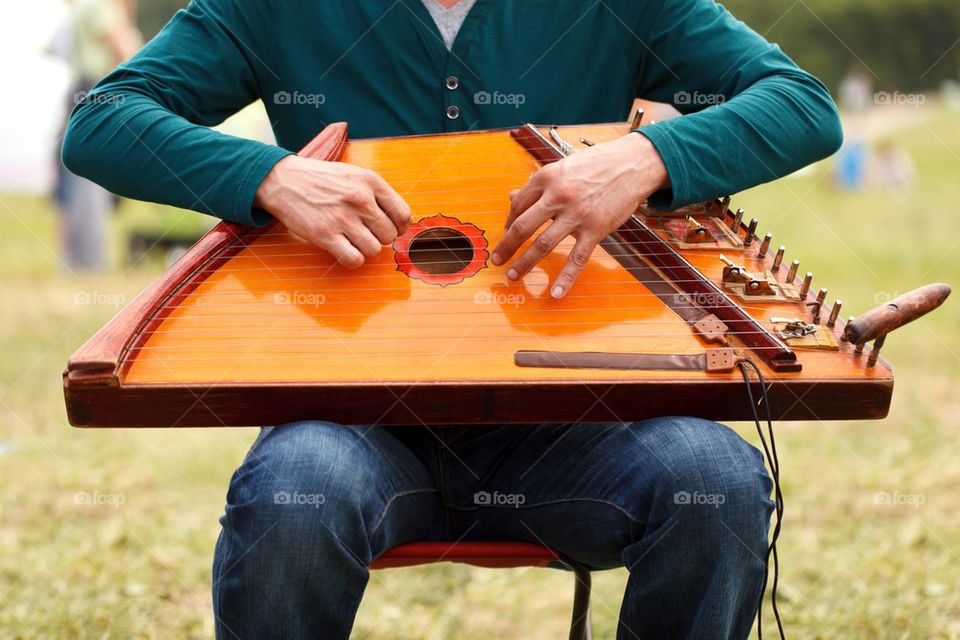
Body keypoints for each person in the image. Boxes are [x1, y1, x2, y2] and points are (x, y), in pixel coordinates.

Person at [62, 1, 843, 638]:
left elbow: (801, 104)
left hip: (575, 423)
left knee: (714, 482)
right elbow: (102, 119)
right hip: (352, 421)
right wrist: (269, 176)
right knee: (294, 492)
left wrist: (644, 160)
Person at [60, 0, 141, 270]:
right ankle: (91, 261)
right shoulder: (101, 6)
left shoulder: (83, 6)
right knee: (92, 181)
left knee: (76, 181)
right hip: (99, 89)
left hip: (81, 89)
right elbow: (130, 53)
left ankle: (76, 260)